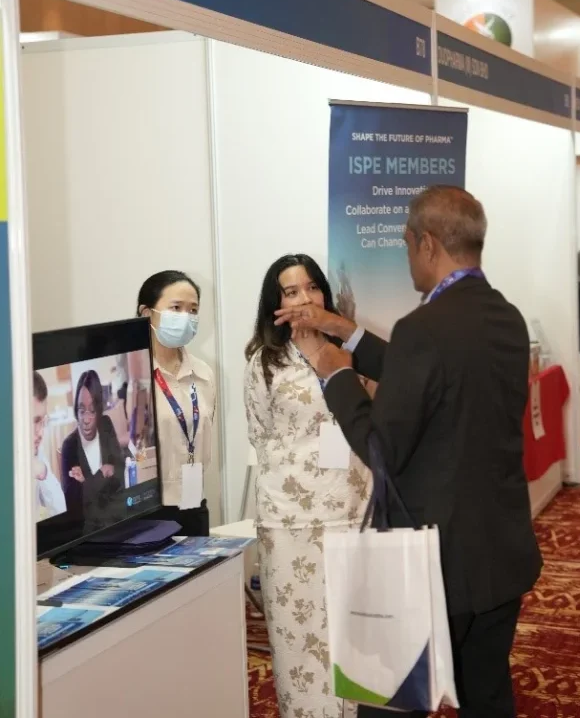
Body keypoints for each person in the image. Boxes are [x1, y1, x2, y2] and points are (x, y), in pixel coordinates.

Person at [274, 187, 542, 718]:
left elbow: (382, 449)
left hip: (433, 562)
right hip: (499, 554)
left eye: (405, 244)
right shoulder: (505, 316)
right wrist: (347, 333)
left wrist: (336, 375)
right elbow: (434, 372)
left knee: (389, 704)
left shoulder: (424, 328)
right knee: (487, 697)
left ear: (426, 244)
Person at [244, 254, 371, 718]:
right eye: (291, 291)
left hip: (352, 509)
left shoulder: (349, 347)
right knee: (300, 638)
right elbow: (259, 433)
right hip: (290, 520)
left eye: (312, 287)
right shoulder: (265, 362)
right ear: (275, 303)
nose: (304, 298)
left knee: (356, 630)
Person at [137, 270, 215, 535]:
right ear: (147, 313)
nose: (186, 317)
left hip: (193, 503)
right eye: (176, 308)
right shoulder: (135, 376)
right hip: (146, 511)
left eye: (193, 310)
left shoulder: (203, 373)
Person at [62, 369, 126, 529]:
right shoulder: (69, 447)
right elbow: (74, 506)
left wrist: (87, 483)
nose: (86, 419)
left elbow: (120, 474)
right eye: (81, 410)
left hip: (117, 519)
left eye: (92, 411)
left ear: (99, 410)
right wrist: (102, 473)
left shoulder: (106, 425)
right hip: (89, 529)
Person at [33, 371, 66, 521]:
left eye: (42, 421)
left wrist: (44, 472)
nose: (40, 433)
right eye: (34, 421)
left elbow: (60, 510)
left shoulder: (35, 450)